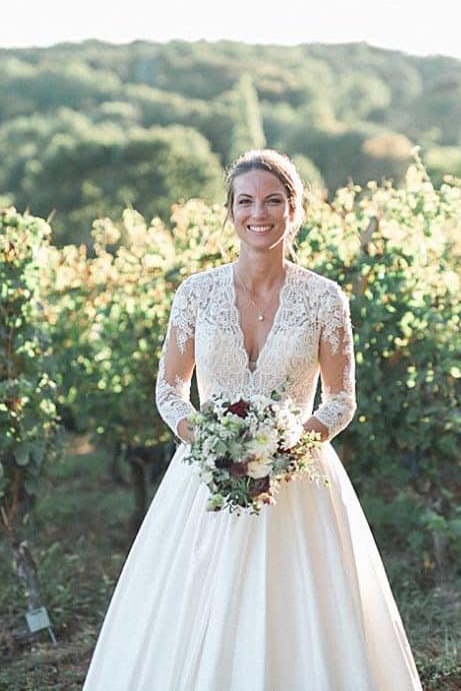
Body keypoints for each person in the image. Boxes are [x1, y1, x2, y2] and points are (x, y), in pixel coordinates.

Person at [81, 149, 424, 691]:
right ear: (230, 211)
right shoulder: (195, 293)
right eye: (245, 201)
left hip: (296, 479)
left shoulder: (324, 298)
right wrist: (210, 444)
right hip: (206, 475)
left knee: (297, 612)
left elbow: (340, 398)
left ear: (294, 209)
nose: (257, 213)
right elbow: (169, 387)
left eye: (272, 200)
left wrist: (287, 446)